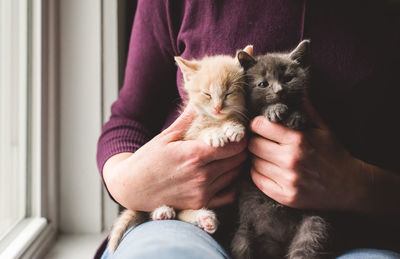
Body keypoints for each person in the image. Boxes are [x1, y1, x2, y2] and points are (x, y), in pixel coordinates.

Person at [96, 0, 400, 258]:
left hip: (356, 232)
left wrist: (360, 183)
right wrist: (129, 182)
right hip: (190, 225)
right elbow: (128, 118)